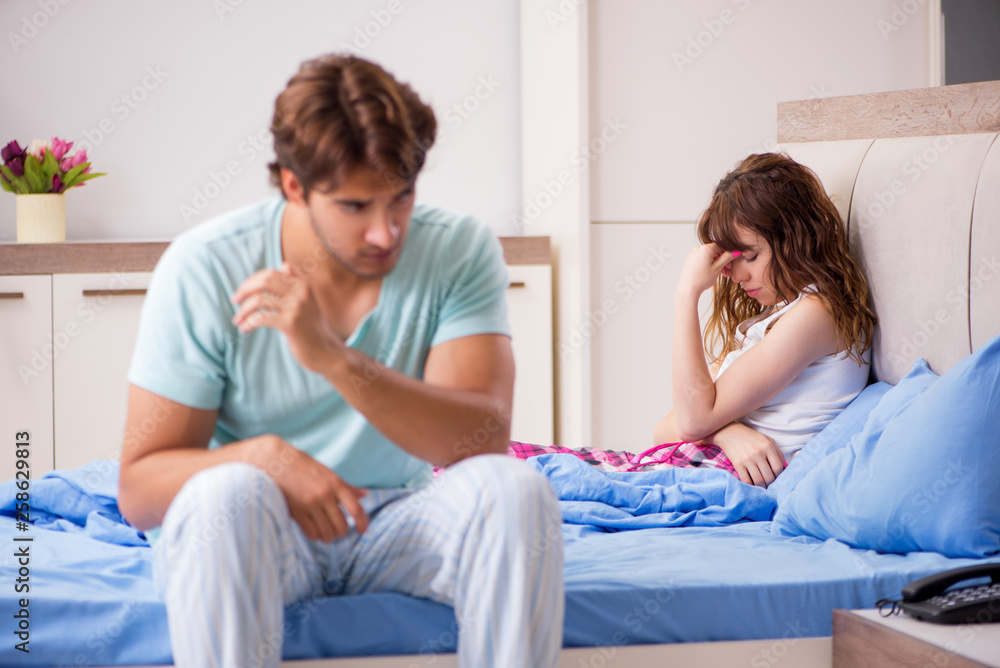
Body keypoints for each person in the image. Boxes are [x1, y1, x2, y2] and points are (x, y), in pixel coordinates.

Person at [117, 53, 564, 668]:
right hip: (259, 528)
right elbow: (139, 489)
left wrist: (334, 358)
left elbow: (480, 440)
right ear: (295, 186)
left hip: (396, 522)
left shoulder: (458, 249)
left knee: (516, 490)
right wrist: (263, 456)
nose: (386, 232)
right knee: (225, 493)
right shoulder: (204, 266)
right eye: (356, 206)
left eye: (401, 197)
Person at [511, 153, 876, 488]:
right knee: (505, 462)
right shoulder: (779, 317)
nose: (735, 275)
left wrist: (686, 295)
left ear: (795, 238)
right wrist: (726, 433)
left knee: (518, 476)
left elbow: (692, 422)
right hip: (699, 464)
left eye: (749, 256)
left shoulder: (816, 315)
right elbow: (667, 429)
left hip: (713, 480)